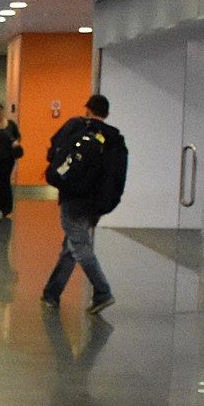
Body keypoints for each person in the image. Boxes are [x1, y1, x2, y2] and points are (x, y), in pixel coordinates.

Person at [41, 93, 128, 314]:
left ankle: (102, 292)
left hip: (74, 198)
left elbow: (54, 152)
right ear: (106, 114)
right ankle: (51, 293)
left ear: (88, 109)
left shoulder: (76, 126)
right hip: (97, 202)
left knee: (79, 245)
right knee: (71, 245)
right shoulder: (114, 138)